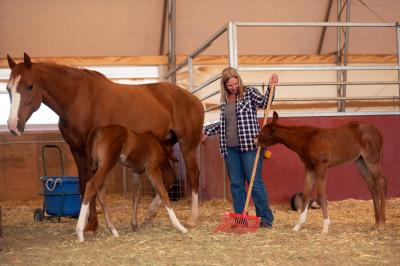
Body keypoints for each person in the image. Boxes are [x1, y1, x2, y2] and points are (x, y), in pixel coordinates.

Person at [202, 67, 278, 227]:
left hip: (249, 146)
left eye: (236, 83)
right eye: (230, 85)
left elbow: (265, 103)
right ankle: (241, 219)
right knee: (236, 184)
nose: (234, 87)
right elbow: (224, 125)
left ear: (239, 81)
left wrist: (271, 87)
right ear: (224, 86)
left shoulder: (249, 93)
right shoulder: (224, 102)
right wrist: (207, 131)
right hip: (230, 150)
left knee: (254, 182)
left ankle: (265, 218)